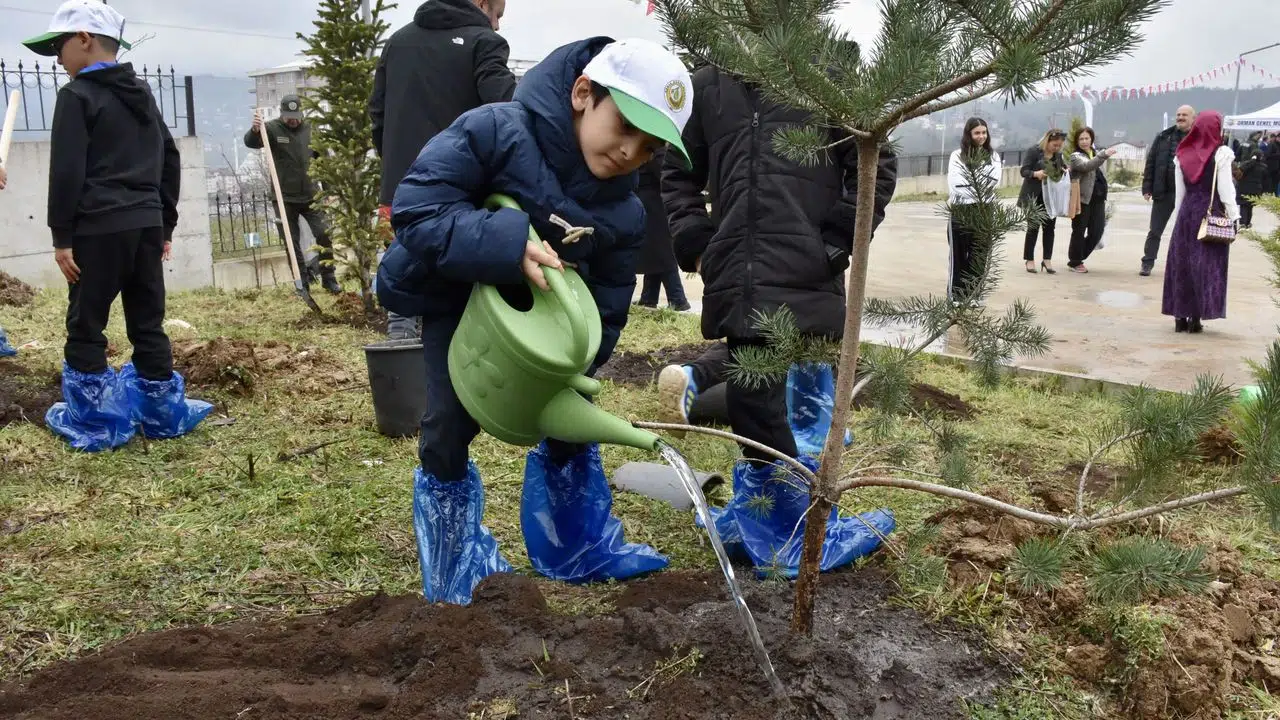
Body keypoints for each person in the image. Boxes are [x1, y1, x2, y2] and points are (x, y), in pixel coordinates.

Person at [376, 37, 694, 605]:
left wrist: (581, 361)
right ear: (583, 94)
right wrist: (505, 244)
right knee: (449, 421)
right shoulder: (496, 131)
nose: (629, 151)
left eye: (649, 148)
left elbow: (610, 296)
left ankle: (576, 545)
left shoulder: (624, 211)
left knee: (572, 427)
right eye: (625, 126)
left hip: (546, 327)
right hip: (462, 298)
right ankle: (455, 565)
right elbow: (419, 208)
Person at [661, 63, 898, 578]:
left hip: (806, 266)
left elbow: (875, 160)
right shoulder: (707, 87)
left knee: (761, 400)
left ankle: (789, 523)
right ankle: (777, 517)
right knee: (755, 399)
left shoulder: (825, 74)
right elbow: (677, 171)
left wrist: (837, 240)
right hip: (737, 270)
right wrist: (697, 244)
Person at [23, 0, 211, 452]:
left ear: (84, 39)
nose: (57, 59)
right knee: (147, 320)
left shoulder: (76, 96)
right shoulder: (140, 93)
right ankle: (161, 413)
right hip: (146, 225)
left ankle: (96, 422)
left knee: (86, 323)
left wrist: (62, 237)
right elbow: (169, 157)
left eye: (59, 46)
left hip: (98, 228)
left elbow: (67, 170)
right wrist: (165, 225)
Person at [370, 0, 516, 340]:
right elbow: (507, 114)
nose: (497, 24)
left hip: (400, 185)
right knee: (457, 294)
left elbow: (377, 113)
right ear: (481, 3)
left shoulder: (397, 42)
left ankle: (401, 348)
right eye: (497, 14)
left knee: (402, 276)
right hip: (460, 190)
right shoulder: (486, 43)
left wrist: (394, 162)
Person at [244, 95, 341, 294]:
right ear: (282, 114)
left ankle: (329, 278)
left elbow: (324, 160)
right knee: (291, 242)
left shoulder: (311, 130)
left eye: (296, 116)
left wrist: (328, 189)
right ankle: (302, 282)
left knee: (324, 234)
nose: (293, 120)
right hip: (284, 198)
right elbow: (251, 143)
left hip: (311, 195)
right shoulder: (271, 129)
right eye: (289, 117)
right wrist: (255, 130)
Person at [1162, 111, 1238, 334]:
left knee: (1182, 264)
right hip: (1210, 212)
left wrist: (1179, 220)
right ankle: (1196, 318)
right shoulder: (1221, 154)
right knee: (1205, 265)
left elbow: (1180, 194)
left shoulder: (1181, 153)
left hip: (1187, 213)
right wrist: (1235, 216)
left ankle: (1179, 317)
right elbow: (1226, 190)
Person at [946, 117, 1002, 300]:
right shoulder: (957, 156)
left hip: (985, 209)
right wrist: (978, 184)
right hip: (961, 210)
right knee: (959, 255)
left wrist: (973, 181)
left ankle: (974, 295)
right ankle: (957, 296)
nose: (981, 136)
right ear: (969, 134)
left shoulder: (993, 156)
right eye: (977, 133)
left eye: (984, 132)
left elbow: (994, 182)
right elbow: (957, 185)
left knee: (980, 255)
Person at [1140, 105, 1195, 276]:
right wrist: (1147, 187)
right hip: (1163, 191)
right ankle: (1147, 262)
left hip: (1187, 194)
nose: (1180, 117)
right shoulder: (1163, 137)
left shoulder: (1198, 139)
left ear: (1193, 118)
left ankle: (1184, 266)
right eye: (1178, 114)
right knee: (1155, 230)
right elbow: (1151, 162)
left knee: (1186, 232)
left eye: (1184, 115)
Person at [634, 147, 690, 311]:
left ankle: (677, 298)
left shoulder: (658, 152)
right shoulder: (654, 150)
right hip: (651, 204)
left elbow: (665, 175)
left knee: (662, 251)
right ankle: (649, 297)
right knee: (655, 252)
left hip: (655, 206)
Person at [1066, 126, 1116, 273]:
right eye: (1081, 139)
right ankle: (1075, 261)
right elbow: (1087, 166)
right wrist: (1103, 155)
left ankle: (1077, 256)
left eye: (1087, 138)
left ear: (1091, 139)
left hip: (1098, 199)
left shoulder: (1095, 153)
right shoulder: (1075, 156)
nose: (1084, 141)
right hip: (1082, 199)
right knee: (1079, 231)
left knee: (1097, 232)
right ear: (1077, 141)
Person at [1018, 129, 1068, 274]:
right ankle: (1029, 259)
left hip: (1050, 197)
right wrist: (1035, 174)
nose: (1056, 148)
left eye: (1059, 146)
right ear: (1047, 141)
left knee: (1049, 229)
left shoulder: (1057, 155)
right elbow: (1024, 171)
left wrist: (1064, 170)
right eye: (1054, 145)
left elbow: (1061, 169)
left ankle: (1047, 260)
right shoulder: (1034, 151)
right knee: (1033, 228)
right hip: (1034, 196)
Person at [1238, 150, 1270, 229]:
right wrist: (1263, 191)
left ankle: (1242, 222)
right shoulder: (1263, 167)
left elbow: (1240, 170)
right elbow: (1266, 181)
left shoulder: (1246, 164)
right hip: (1256, 190)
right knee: (1250, 206)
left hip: (1244, 188)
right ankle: (1247, 223)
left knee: (1243, 206)